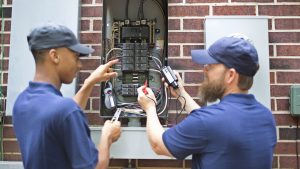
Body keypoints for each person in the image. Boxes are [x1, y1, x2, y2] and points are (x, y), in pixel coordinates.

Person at [137, 34, 277, 169]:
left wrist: (149, 107)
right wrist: (181, 94)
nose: (205, 70)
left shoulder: (209, 121)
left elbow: (158, 144)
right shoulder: (266, 117)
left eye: (210, 66)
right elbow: (213, 124)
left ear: (230, 75)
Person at [12, 23, 121, 169]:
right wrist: (107, 137)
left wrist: (91, 81)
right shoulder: (66, 110)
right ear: (55, 56)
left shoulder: (21, 102)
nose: (79, 65)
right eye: (76, 57)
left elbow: (60, 116)